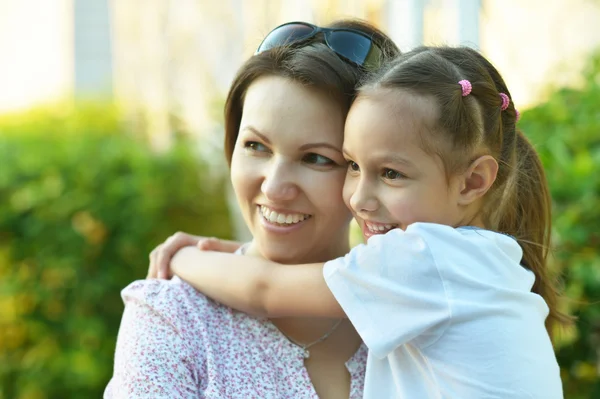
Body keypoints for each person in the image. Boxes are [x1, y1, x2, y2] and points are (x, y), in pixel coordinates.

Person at [154, 46, 570, 398]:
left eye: (391, 173)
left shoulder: (425, 260)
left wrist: (183, 258)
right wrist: (230, 251)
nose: (360, 198)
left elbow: (264, 290)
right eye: (351, 164)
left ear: (473, 181)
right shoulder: (480, 258)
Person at [104, 20, 400, 398]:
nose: (275, 188)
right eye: (256, 146)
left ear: (369, 172)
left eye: (316, 158)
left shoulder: (413, 304)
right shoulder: (174, 317)